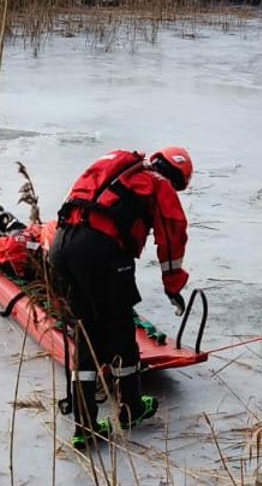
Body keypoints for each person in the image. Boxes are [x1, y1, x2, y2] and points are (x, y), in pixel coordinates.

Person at [50, 146, 195, 449]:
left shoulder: (116, 168)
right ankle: (130, 407)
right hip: (101, 251)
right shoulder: (158, 184)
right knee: (120, 330)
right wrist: (174, 285)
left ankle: (84, 424)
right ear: (177, 178)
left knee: (88, 331)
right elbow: (172, 234)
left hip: (62, 245)